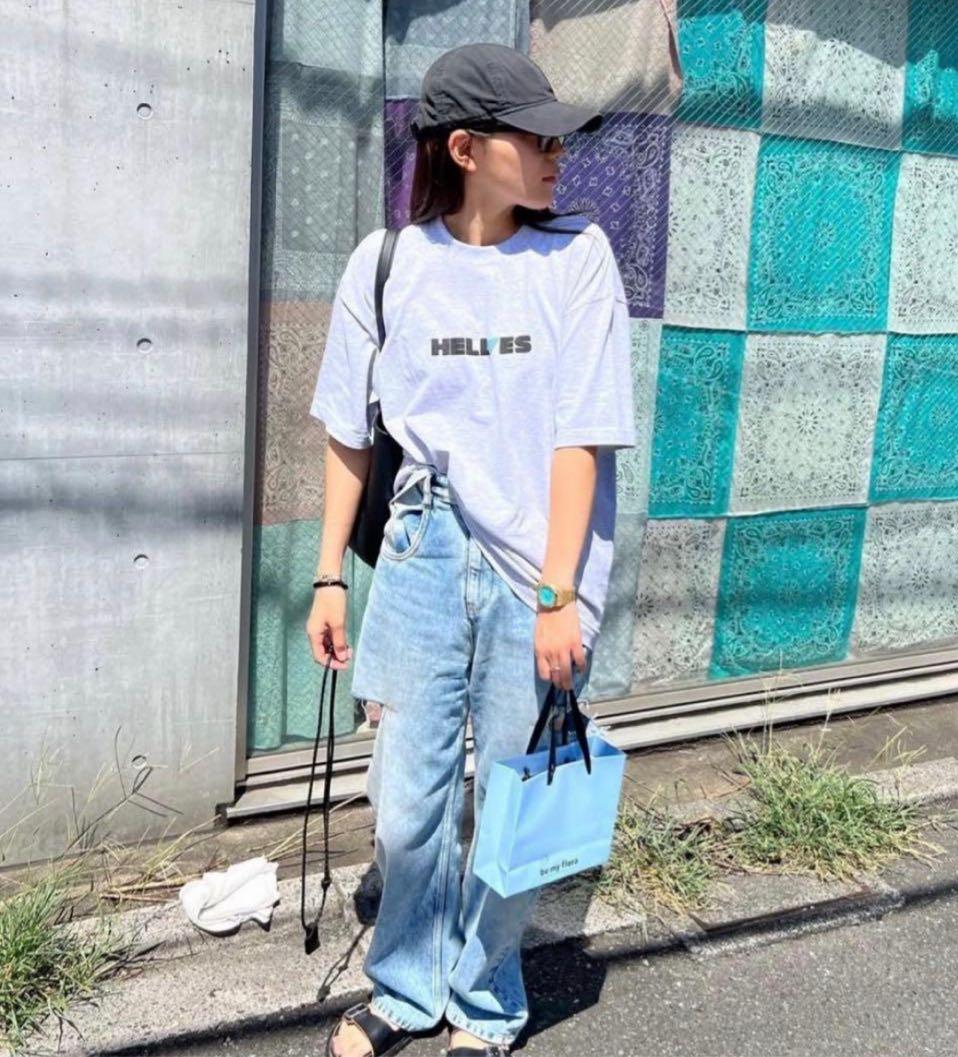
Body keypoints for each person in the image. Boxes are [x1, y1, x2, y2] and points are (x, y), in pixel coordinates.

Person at [305, 41, 636, 1057]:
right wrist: (328, 573)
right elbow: (350, 432)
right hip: (419, 546)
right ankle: (406, 988)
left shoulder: (578, 256)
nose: (558, 154)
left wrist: (558, 594)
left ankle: (485, 997)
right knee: (408, 799)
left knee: (511, 796)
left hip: (534, 564)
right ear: (463, 148)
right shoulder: (386, 263)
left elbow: (581, 435)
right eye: (538, 138)